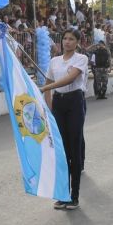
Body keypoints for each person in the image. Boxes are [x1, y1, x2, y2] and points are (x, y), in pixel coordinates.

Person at [39, 29, 88, 210]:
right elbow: (48, 84)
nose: (67, 42)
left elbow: (69, 79)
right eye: (65, 38)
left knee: (73, 149)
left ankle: (73, 196)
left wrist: (46, 88)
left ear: (77, 42)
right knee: (61, 151)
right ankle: (63, 194)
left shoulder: (81, 59)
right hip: (58, 104)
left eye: (71, 39)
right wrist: (49, 108)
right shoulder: (54, 61)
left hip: (75, 102)